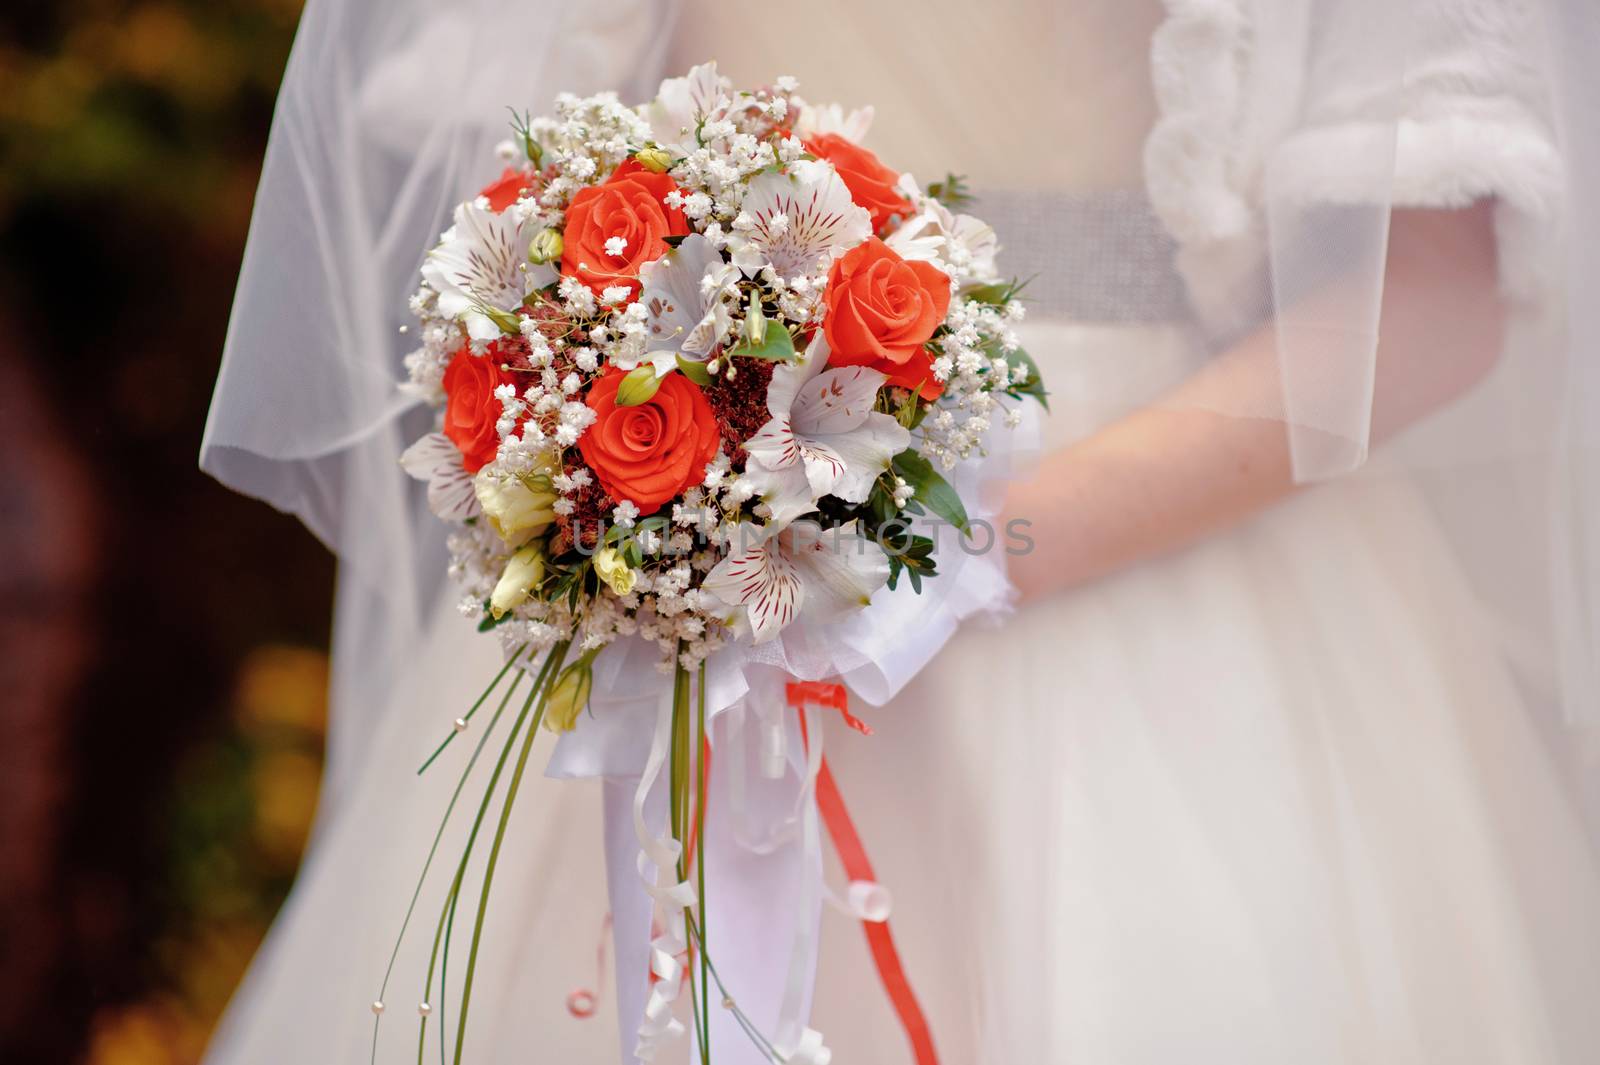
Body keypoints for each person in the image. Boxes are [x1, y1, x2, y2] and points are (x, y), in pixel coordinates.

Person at [202, 1, 1600, 1062]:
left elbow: (1429, 296)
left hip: (1168, 583)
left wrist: (955, 554)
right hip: (681, 559)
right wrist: (653, 457)